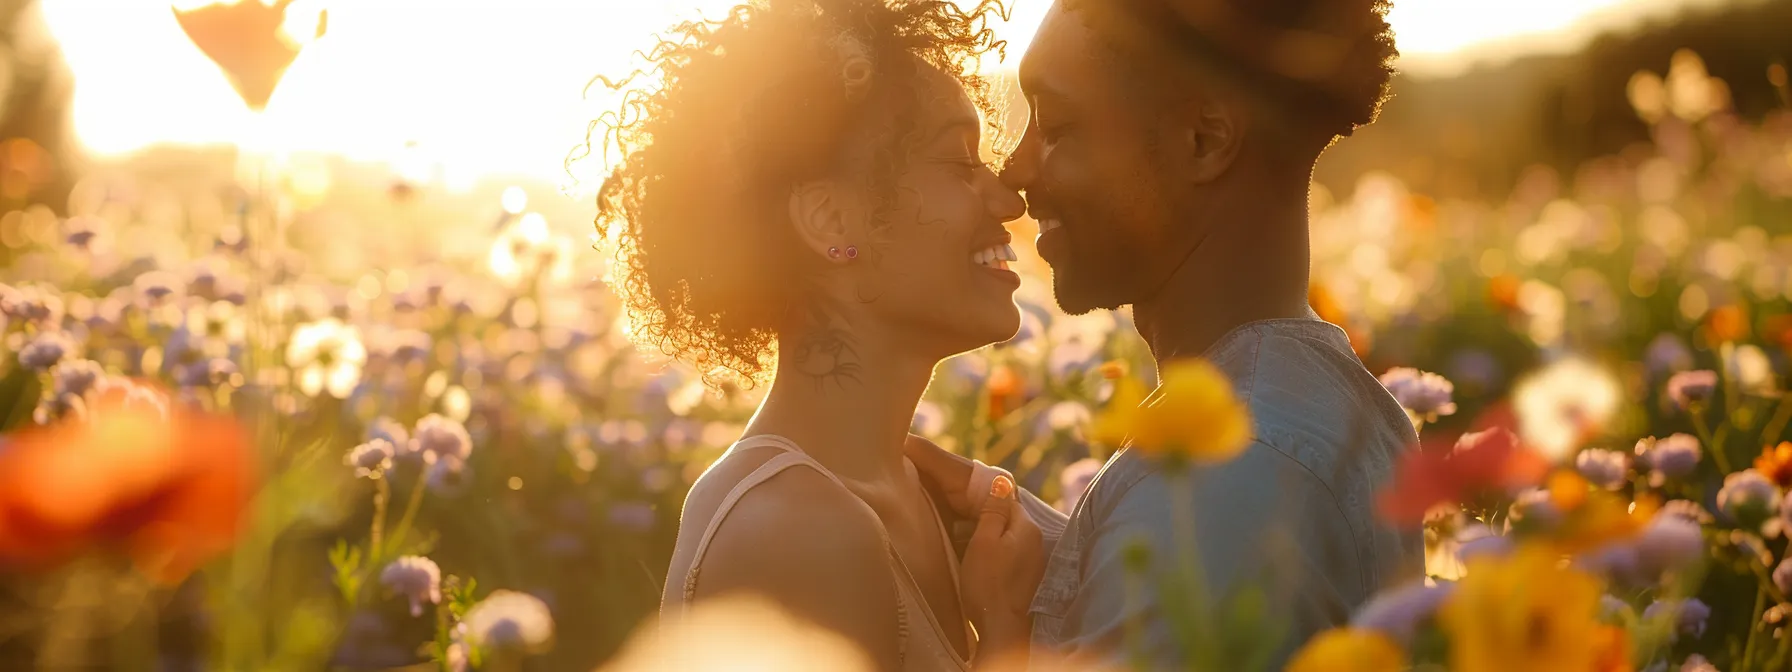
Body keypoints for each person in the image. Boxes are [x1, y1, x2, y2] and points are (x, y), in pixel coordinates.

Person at [904, 0, 1427, 667]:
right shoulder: (1306, 406)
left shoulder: (1223, 484)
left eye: (1058, 126)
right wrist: (1040, 536)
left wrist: (1004, 630)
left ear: (1204, 140)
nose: (1017, 171)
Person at [589, 0, 1048, 669]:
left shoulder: (910, 496)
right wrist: (1007, 635)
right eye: (958, 163)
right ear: (831, 221)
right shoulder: (795, 531)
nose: (1008, 201)